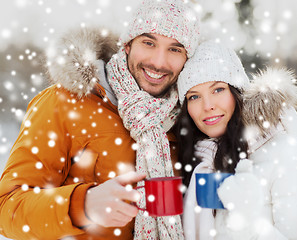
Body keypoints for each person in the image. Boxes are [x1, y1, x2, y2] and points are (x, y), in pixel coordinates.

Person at [0, 0, 200, 239]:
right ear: (127, 45)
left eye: (175, 49)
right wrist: (83, 205)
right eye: (149, 42)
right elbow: (7, 209)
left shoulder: (190, 115)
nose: (158, 62)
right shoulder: (63, 103)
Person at [176, 41, 297, 239]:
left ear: (237, 92)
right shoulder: (196, 160)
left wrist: (246, 223)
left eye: (218, 89)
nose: (208, 105)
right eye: (194, 97)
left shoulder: (289, 154)